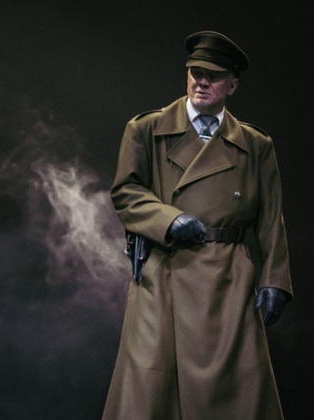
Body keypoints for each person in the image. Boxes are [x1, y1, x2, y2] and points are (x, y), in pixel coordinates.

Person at [102, 31, 293, 419]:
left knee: (232, 393)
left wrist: (275, 279)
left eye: (213, 76)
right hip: (164, 274)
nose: (201, 82)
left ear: (232, 85)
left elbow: (271, 218)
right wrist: (169, 219)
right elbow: (126, 192)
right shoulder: (147, 130)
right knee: (152, 390)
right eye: (195, 73)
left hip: (229, 280)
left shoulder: (256, 145)